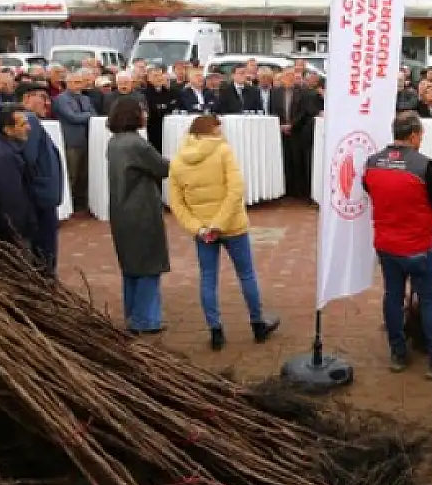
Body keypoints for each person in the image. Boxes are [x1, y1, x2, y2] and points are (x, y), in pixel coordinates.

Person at [167, 114, 280, 350]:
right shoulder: (223, 151)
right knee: (246, 274)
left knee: (208, 279)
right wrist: (219, 222)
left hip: (203, 231)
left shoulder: (177, 161)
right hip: (232, 226)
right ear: (214, 130)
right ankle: (258, 324)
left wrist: (199, 228)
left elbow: (176, 204)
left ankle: (215, 331)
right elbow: (236, 188)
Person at [363, 112, 432, 378]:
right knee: (430, 300)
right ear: (414, 135)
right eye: (421, 135)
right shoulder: (424, 165)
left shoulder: (372, 162)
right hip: (418, 245)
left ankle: (398, 354)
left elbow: (368, 188)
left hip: (386, 244)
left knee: (393, 297)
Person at [105, 97, 170, 333]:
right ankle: (146, 320)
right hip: (141, 211)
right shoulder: (137, 144)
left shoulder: (115, 141)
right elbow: (162, 168)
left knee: (131, 267)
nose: (146, 114)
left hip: (121, 211)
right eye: (142, 110)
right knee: (148, 266)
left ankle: (133, 315)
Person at [0, 106, 40, 255]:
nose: (29, 128)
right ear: (8, 130)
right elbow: (9, 199)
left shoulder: (2, 147)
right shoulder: (0, 156)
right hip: (10, 232)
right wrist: (18, 232)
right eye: (23, 124)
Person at [17, 85, 65, 276]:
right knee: (45, 251)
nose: (47, 102)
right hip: (40, 197)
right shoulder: (30, 121)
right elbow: (28, 159)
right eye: (42, 97)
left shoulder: (30, 120)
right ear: (27, 98)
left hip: (40, 195)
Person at [53, 72, 97, 211]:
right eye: (77, 82)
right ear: (68, 83)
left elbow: (94, 114)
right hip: (71, 141)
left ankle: (82, 203)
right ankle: (69, 205)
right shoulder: (61, 99)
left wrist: (85, 115)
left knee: (84, 174)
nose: (80, 85)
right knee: (72, 173)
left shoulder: (85, 98)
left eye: (81, 81)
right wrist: (87, 115)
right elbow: (72, 117)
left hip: (87, 140)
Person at [268, 70, 314, 200]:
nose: (289, 79)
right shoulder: (275, 92)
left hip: (297, 131)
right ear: (282, 78)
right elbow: (272, 110)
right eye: (286, 76)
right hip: (280, 131)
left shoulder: (302, 93)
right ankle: (285, 189)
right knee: (284, 160)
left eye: (291, 76)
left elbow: (304, 112)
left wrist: (292, 125)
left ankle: (298, 191)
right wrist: (280, 125)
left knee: (297, 160)